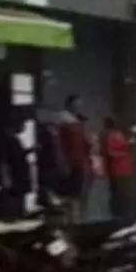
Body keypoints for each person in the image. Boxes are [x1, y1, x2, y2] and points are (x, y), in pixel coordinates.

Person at [56, 95, 92, 223]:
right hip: (70, 163)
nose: (78, 107)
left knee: (77, 194)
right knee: (70, 195)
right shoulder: (65, 121)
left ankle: (76, 220)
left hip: (79, 163)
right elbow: (60, 144)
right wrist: (63, 163)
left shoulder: (77, 123)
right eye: (76, 104)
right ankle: (70, 220)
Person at [101, 118, 136, 220]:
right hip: (118, 170)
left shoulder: (117, 134)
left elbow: (123, 147)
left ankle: (124, 215)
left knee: (123, 194)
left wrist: (130, 144)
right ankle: (120, 215)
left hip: (122, 170)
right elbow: (111, 153)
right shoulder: (111, 135)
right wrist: (125, 153)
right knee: (120, 194)